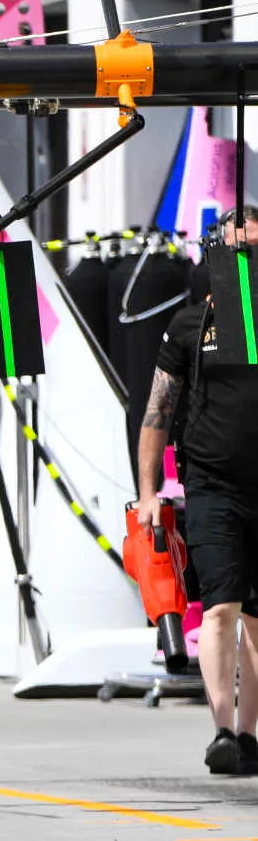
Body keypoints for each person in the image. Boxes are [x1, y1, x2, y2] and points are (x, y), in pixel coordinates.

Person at [137, 208, 258, 775]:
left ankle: (249, 735)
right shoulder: (189, 325)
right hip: (212, 484)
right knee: (220, 606)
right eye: (239, 250)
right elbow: (158, 411)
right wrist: (149, 492)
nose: (247, 262)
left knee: (257, 618)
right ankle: (222, 731)